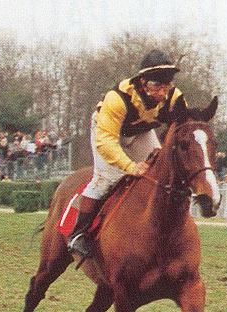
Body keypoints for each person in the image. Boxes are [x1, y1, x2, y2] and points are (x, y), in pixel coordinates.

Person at [67, 50, 190, 257]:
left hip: (140, 131)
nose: (163, 92)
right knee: (107, 178)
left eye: (166, 86)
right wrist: (131, 167)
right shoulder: (117, 98)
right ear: (142, 82)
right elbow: (106, 142)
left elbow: (182, 130)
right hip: (107, 132)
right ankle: (78, 234)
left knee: (158, 171)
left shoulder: (175, 99)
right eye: (157, 86)